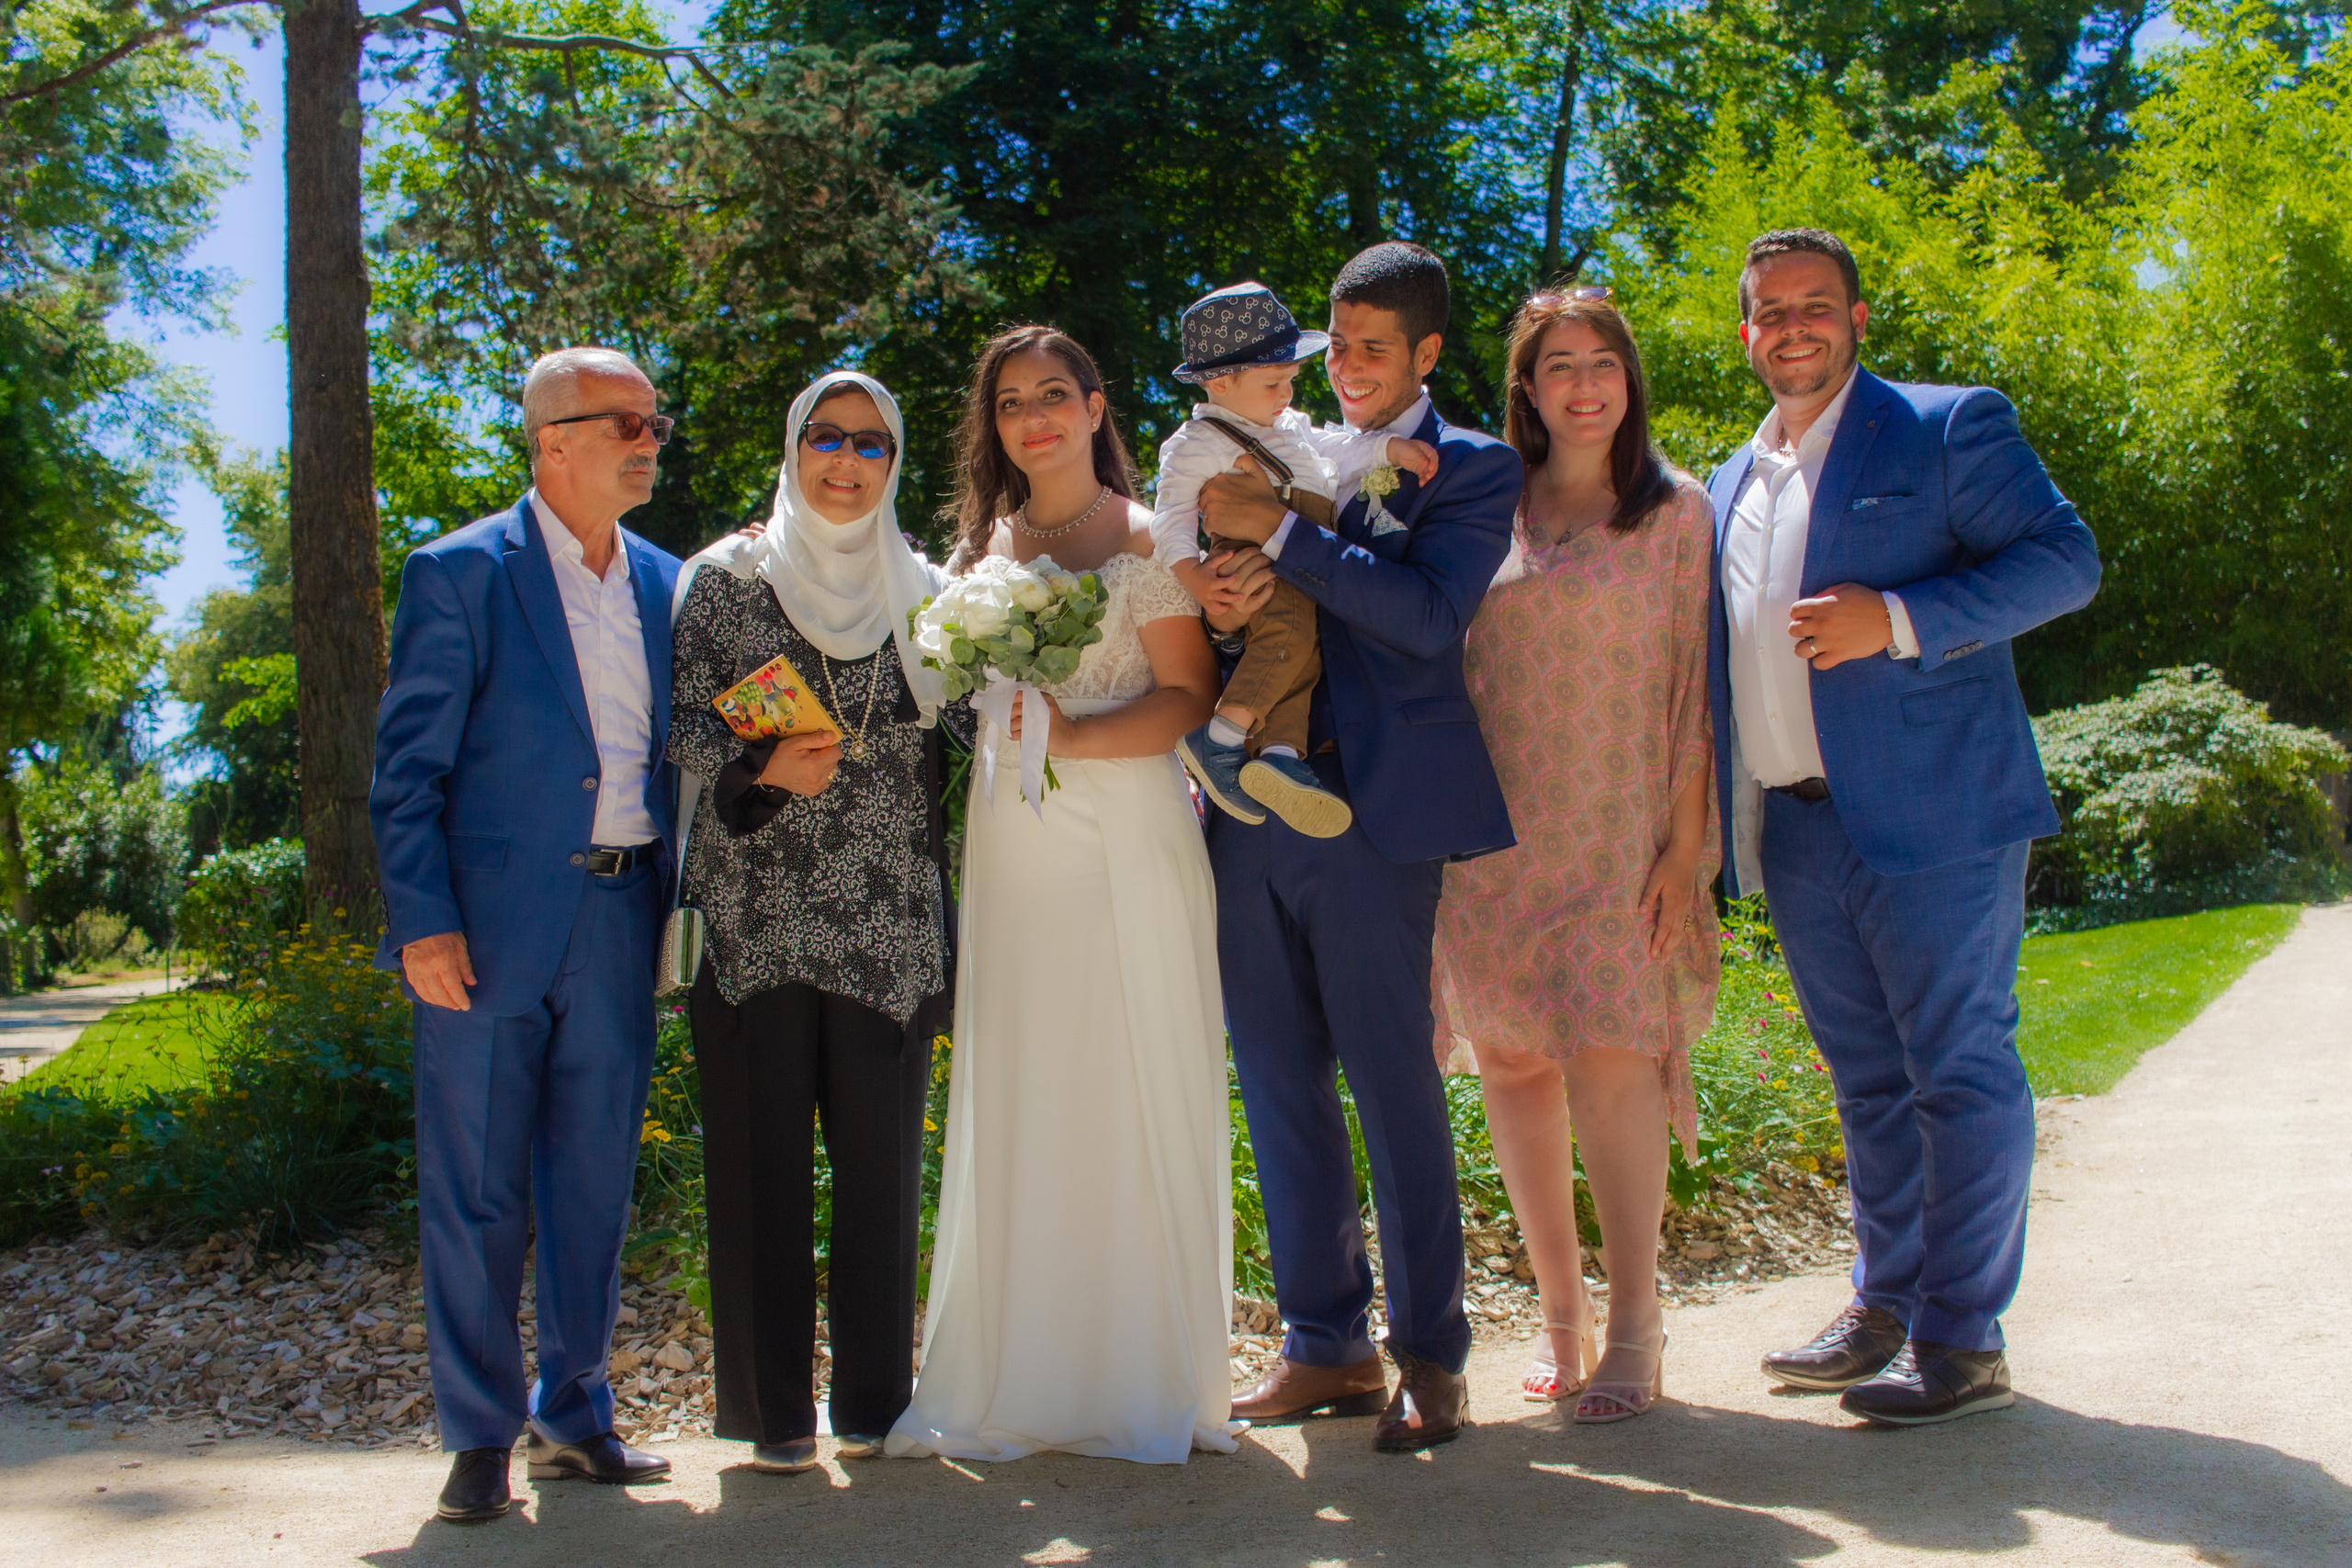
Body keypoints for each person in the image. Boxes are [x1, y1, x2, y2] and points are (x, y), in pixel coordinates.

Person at [1707, 229, 2100, 1426]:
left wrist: (1902, 617)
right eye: (1771, 310)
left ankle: (1962, 1339)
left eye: (1815, 306)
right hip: (1797, 826)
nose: (1794, 327)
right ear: (1745, 333)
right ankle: (1882, 1307)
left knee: (1961, 1070)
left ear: (1857, 316)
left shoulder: (1942, 426)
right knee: (1869, 1083)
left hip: (1938, 813)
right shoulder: (1729, 479)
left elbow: (2065, 562)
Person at [885, 324, 1234, 1464]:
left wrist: (1072, 738)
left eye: (1052, 396)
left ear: (1094, 408)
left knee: (1124, 1075)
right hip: (1011, 844)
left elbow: (1185, 696)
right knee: (1030, 1078)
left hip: (1119, 832)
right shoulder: (982, 547)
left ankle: (1138, 1374)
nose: (1031, 418)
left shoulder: (1145, 538)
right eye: (1009, 403)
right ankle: (1022, 1365)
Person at [1195, 242, 1521, 1452]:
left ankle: (1432, 1351)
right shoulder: (1264, 445)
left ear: (1428, 352)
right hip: (1248, 809)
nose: (1346, 366)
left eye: (1372, 346)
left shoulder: (1473, 468)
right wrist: (1218, 600)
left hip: (1375, 812)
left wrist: (1279, 536)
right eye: (1334, 345)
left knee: (1392, 1083)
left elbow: (1431, 617)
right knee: (1278, 1085)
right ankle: (1323, 1344)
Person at [371, 346, 684, 1522]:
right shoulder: (457, 573)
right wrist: (424, 924)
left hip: (621, 915)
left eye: (656, 422)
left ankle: (576, 1414)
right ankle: (476, 1438)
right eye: (626, 422)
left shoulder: (666, 582)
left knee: (593, 1180)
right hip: (487, 932)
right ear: (552, 438)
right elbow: (406, 773)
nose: (649, 440)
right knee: (476, 1190)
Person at [665, 371, 963, 1474]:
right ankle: (772, 1413)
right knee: (758, 1169)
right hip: (754, 917)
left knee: (881, 1173)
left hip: (887, 919)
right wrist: (760, 759)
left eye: (871, 445)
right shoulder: (726, 578)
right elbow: (682, 724)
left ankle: (878, 1405)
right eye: (827, 439)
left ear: (894, 466)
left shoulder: (929, 591)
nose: (847, 461)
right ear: (794, 449)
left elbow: (979, 716)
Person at [1430, 288, 1719, 1425]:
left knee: (1612, 1059)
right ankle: (1562, 1318)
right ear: (1528, 388)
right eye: (1560, 365)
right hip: (1490, 838)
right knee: (1511, 1067)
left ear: (1628, 380)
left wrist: (1683, 848)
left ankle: (1637, 1323)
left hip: (1619, 833)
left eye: (1603, 362)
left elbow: (1697, 689)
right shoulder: (1478, 509)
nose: (1584, 384)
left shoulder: (1676, 512)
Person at [1153, 280, 1438, 838]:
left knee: (1303, 657)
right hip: (1253, 557)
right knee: (1284, 638)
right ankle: (1218, 741)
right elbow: (1171, 519)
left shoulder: (1289, 427)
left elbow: (1341, 446)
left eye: (1290, 379)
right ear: (1221, 381)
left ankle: (1280, 754)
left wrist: (1391, 449)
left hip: (1301, 555)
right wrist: (1195, 578)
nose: (1287, 392)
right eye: (1272, 381)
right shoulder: (1199, 442)